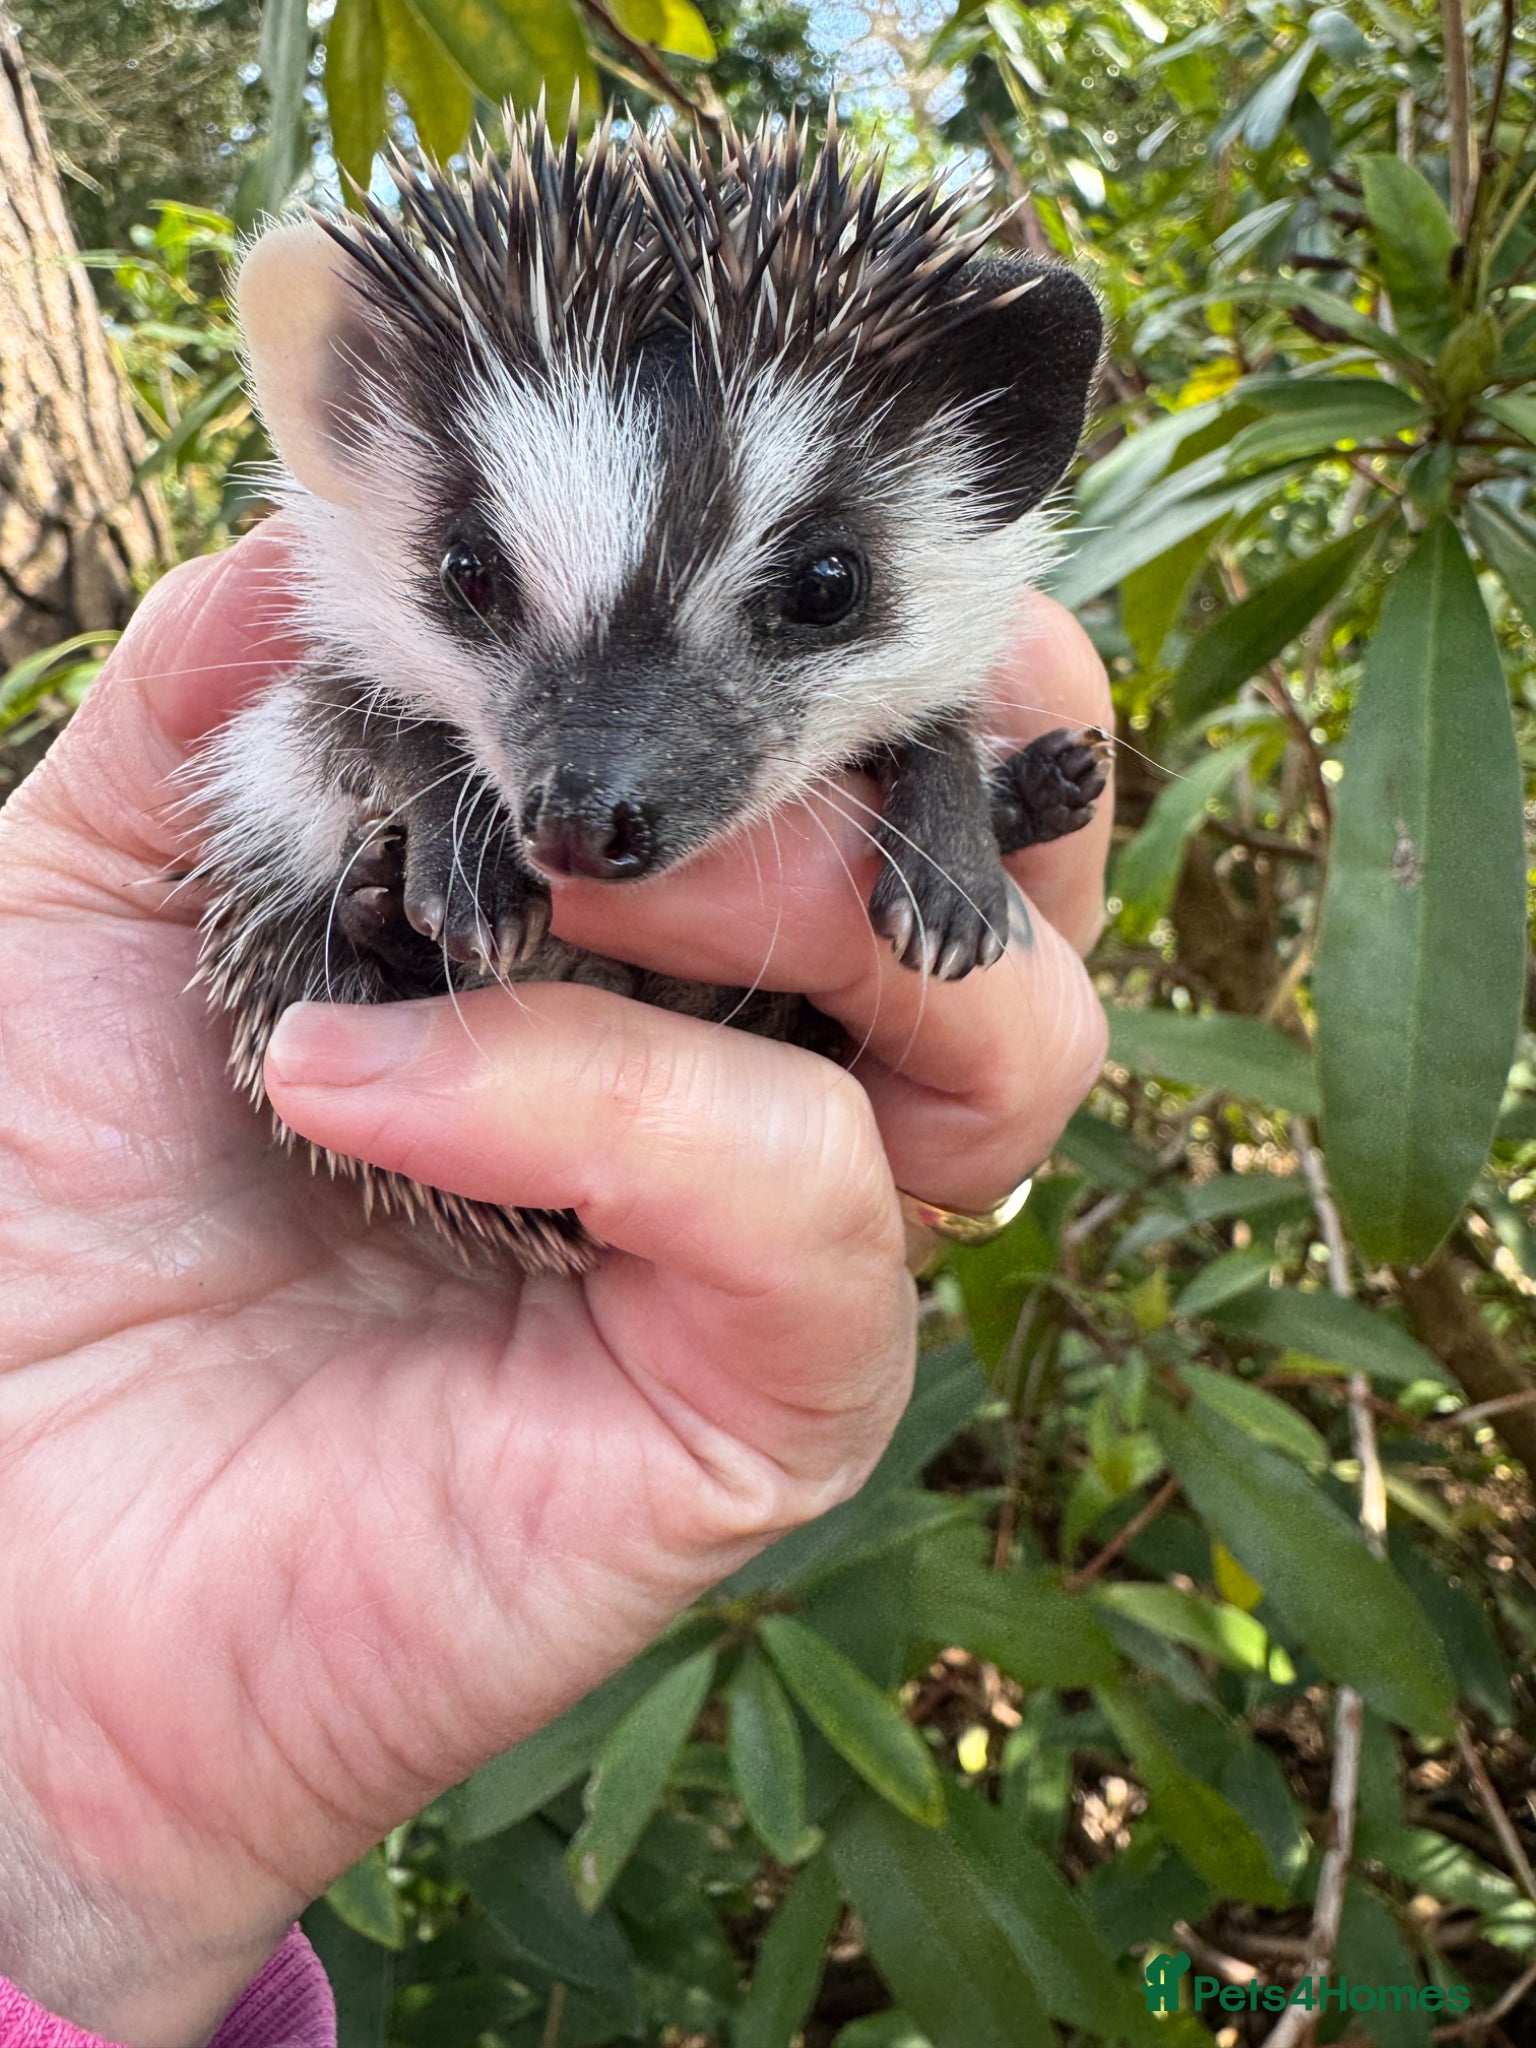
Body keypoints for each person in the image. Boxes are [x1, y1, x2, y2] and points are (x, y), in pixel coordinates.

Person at [0, 523, 1112, 2048]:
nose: (594, 788)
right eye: (483, 582)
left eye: (813, 594)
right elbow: (343, 720)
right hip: (387, 971)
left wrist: (953, 810)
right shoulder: (347, 643)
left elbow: (906, 726)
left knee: (874, 803)